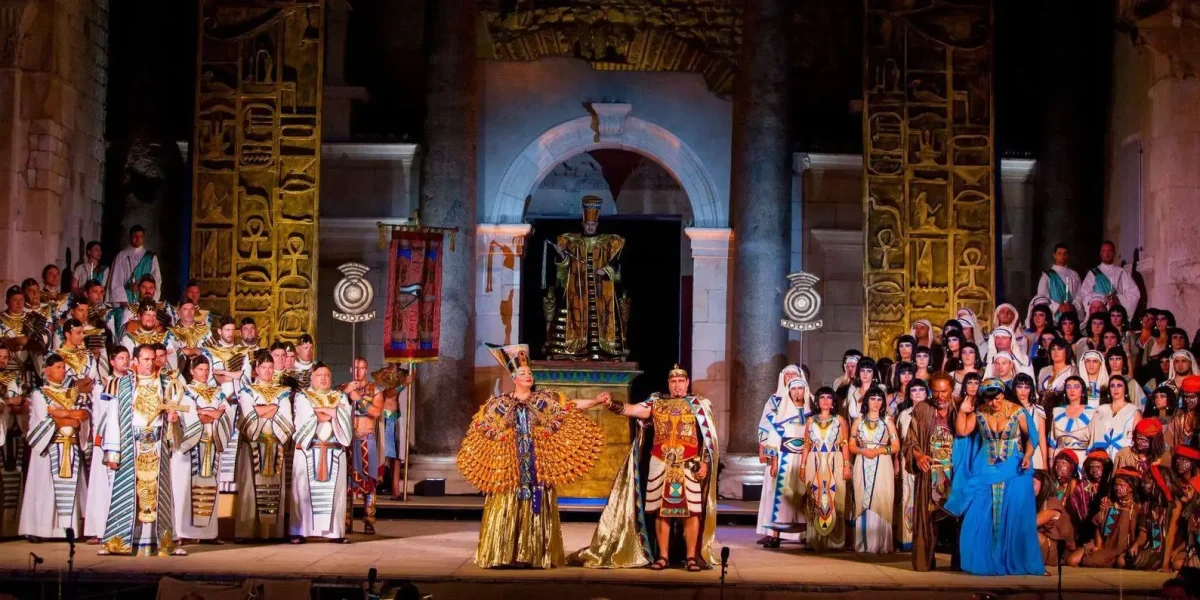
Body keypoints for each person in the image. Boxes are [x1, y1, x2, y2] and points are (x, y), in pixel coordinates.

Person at [459, 343, 607, 569]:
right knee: (506, 506)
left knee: (536, 506)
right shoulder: (499, 404)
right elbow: (481, 426)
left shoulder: (543, 401)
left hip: (537, 468)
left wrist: (596, 401)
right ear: (514, 378)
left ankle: (534, 555)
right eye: (523, 373)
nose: (528, 376)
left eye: (529, 372)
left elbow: (570, 406)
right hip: (510, 471)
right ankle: (503, 554)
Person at [574, 364, 718, 571]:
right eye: (673, 381)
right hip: (660, 463)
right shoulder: (656, 402)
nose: (677, 385)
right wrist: (611, 403)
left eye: (681, 381)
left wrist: (705, 462)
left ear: (687, 383)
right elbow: (633, 410)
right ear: (669, 383)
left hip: (689, 464)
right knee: (661, 512)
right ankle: (663, 556)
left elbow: (708, 438)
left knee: (692, 512)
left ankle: (691, 557)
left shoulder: (700, 405)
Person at [97, 344, 197, 556]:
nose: (150, 363)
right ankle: (119, 541)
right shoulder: (122, 385)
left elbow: (176, 413)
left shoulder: (166, 383)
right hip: (131, 444)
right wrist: (113, 451)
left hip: (157, 445)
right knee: (127, 493)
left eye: (152, 359)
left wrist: (173, 420)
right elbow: (113, 418)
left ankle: (162, 542)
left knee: (159, 493)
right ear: (135, 360)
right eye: (145, 359)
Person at [946, 378, 1043, 575]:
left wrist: (1027, 455)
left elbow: (1033, 437)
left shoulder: (1017, 411)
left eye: (997, 398)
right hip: (985, 468)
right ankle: (984, 560)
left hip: (1014, 468)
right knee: (979, 513)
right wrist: (963, 412)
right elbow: (962, 431)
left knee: (1015, 514)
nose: (994, 403)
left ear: (1003, 394)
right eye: (990, 400)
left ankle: (1016, 561)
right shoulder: (980, 411)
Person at [544, 195, 628, 360]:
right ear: (583, 224)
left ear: (597, 224)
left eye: (593, 225)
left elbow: (616, 263)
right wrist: (561, 254)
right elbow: (565, 264)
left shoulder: (608, 241)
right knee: (575, 316)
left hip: (601, 290)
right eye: (588, 224)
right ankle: (573, 349)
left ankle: (602, 351)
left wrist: (605, 270)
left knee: (600, 318)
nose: (590, 227)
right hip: (577, 288)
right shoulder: (571, 241)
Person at [18, 354, 90, 541]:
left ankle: (66, 530)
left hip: (70, 446)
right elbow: (46, 421)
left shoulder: (72, 393)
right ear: (47, 370)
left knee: (69, 490)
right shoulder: (40, 393)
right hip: (48, 447)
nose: (62, 371)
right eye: (58, 367)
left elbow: (82, 415)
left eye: (63, 367)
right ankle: (40, 530)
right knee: (44, 489)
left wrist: (61, 413)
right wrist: (67, 416)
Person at [233, 350, 295, 542]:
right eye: (263, 367)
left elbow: (286, 417)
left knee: (274, 487)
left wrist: (261, 410)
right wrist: (272, 409)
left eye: (270, 367)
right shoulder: (247, 391)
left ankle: (272, 532)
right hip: (252, 445)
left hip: (275, 445)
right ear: (256, 370)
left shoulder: (283, 392)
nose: (267, 371)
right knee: (250, 487)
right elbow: (248, 415)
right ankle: (247, 532)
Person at [289, 362, 353, 544]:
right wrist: (332, 412)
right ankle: (300, 531)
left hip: (334, 451)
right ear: (312, 377)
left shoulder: (340, 396)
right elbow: (306, 418)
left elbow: (345, 417)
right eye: (319, 375)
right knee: (303, 491)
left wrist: (323, 411)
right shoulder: (303, 396)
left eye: (327, 375)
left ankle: (335, 533)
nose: (323, 379)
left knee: (335, 494)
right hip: (309, 450)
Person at [173, 354, 232, 544]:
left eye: (207, 370)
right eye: (200, 369)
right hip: (192, 447)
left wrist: (206, 412)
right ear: (192, 371)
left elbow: (226, 413)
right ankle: (183, 533)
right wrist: (213, 413)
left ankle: (208, 534)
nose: (204, 373)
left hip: (212, 444)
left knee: (210, 487)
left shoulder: (217, 392)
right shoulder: (185, 392)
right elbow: (192, 417)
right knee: (186, 489)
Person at [755, 365, 806, 547]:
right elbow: (766, 426)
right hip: (780, 453)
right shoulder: (775, 400)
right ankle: (772, 532)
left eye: (794, 374)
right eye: (787, 374)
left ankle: (801, 534)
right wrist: (763, 449)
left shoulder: (809, 401)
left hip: (802, 456)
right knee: (775, 494)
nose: (790, 377)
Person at [83, 346, 129, 543]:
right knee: (101, 486)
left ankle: (122, 530)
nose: (125, 361)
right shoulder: (102, 384)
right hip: (104, 440)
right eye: (120, 358)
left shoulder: (132, 384)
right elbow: (99, 412)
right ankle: (99, 530)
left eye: (127, 358)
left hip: (126, 439)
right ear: (112, 361)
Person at [800, 386, 850, 552]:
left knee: (834, 496)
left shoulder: (839, 420)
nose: (826, 401)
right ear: (817, 401)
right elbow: (806, 445)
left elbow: (845, 444)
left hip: (834, 460)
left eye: (829, 397)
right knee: (814, 495)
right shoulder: (810, 421)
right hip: (814, 461)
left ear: (833, 402)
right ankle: (814, 539)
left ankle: (835, 540)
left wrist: (846, 465)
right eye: (822, 397)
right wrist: (802, 466)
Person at [849, 387, 898, 554]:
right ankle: (863, 543)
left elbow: (896, 446)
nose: (876, 403)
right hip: (862, 461)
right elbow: (851, 445)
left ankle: (881, 544)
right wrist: (863, 451)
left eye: (879, 399)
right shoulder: (858, 421)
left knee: (881, 497)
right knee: (862, 496)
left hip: (882, 463)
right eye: (872, 399)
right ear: (867, 401)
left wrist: (878, 451)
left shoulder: (888, 421)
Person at [341, 358, 385, 534]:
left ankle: (369, 519)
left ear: (366, 369)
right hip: (348, 440)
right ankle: (345, 519)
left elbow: (376, 412)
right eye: (356, 368)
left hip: (366, 439)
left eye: (362, 368)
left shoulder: (375, 389)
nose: (358, 371)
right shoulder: (343, 388)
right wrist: (346, 394)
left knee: (369, 482)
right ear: (351, 369)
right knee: (346, 483)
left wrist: (359, 399)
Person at [1068, 467, 1141, 568]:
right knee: (1072, 560)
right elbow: (1098, 526)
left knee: (1118, 562)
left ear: (1131, 487)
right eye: (1116, 485)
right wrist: (1098, 545)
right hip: (1105, 544)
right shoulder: (1108, 504)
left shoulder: (1137, 508)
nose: (1117, 488)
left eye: (1121, 485)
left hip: (1123, 547)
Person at [1130, 466, 1175, 571]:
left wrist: (1165, 564)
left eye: (1146, 482)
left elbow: (1171, 536)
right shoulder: (1146, 505)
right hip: (1153, 548)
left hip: (1170, 549)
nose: (1143, 485)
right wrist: (1136, 545)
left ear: (1157, 484)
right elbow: (1143, 533)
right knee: (1128, 559)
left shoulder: (1173, 506)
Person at [1078, 241, 1140, 316]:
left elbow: (1134, 293)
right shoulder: (1094, 272)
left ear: (1114, 253)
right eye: (1104, 251)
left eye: (1110, 251)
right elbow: (1085, 292)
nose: (1107, 254)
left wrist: (1117, 299)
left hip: (1116, 313)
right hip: (1099, 313)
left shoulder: (1122, 272)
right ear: (1100, 253)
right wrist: (1100, 300)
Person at [108, 225, 162, 306]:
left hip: (145, 299)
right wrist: (123, 302)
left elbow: (156, 279)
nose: (138, 239)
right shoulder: (121, 256)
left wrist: (152, 300)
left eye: (141, 237)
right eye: (135, 236)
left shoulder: (150, 257)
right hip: (126, 300)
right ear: (130, 237)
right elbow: (116, 280)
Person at [1093, 375, 1142, 461]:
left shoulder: (1134, 410)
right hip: (1102, 456)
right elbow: (1094, 433)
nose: (1116, 389)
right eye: (1112, 386)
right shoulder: (1101, 409)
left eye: (1119, 385)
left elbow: (1139, 438)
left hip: (1126, 456)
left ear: (1125, 389)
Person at [1068, 450, 1112, 543]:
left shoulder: (1111, 487)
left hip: (1106, 530)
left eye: (1098, 467)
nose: (1094, 470)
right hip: (1085, 529)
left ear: (1105, 468)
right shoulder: (1081, 488)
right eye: (1092, 467)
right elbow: (1075, 508)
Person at [1051, 376, 1096, 466]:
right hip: (1059, 459)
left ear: (1082, 391)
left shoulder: (1092, 413)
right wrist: (1051, 460)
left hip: (1082, 460)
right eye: (1068, 387)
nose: (1072, 390)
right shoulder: (1057, 412)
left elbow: (1094, 442)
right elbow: (1052, 441)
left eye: (1076, 387)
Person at [1034, 470, 1074, 567]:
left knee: (1029, 532)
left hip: (1057, 551)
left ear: (1044, 485)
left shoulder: (1052, 503)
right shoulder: (1036, 502)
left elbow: (1030, 524)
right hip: (1047, 546)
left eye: (1033, 484)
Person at [1036, 244, 1083, 320]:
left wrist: (1073, 305)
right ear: (1054, 255)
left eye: (1065, 253)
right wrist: (1058, 307)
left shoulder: (1074, 275)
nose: (1062, 256)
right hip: (1054, 317)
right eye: (1059, 253)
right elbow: (1042, 297)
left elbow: (1080, 294)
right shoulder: (1047, 276)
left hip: (1072, 315)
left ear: (1068, 255)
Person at [1012, 373, 1048, 470]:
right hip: (1015, 451)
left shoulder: (1038, 410)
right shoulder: (1009, 409)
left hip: (1035, 453)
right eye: (1020, 387)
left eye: (1026, 387)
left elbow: (1041, 437)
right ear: (1014, 388)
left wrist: (1045, 462)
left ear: (1031, 389)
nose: (1023, 391)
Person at [169, 299, 211, 366]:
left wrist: (191, 351)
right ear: (178, 313)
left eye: (192, 309)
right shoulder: (171, 333)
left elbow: (211, 352)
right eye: (185, 309)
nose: (189, 312)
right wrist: (194, 351)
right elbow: (171, 354)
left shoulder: (205, 331)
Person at [842, 357, 886, 421]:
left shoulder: (881, 389)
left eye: (869, 371)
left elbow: (886, 414)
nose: (865, 374)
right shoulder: (852, 390)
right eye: (862, 370)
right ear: (858, 372)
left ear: (874, 373)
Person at [1166, 376, 1200, 448]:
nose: (1188, 400)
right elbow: (1168, 445)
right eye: (1186, 396)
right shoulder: (1179, 418)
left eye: (1192, 397)